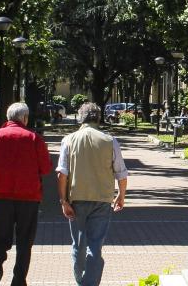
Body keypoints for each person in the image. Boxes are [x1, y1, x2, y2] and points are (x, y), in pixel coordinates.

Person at [0, 103, 51, 286]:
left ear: (8, 118)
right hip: (29, 198)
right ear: (25, 118)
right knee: (25, 242)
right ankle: (19, 280)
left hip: (1, 198)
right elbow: (46, 168)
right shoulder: (34, 138)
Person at [57, 102, 129, 286]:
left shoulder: (69, 140)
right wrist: (121, 195)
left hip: (76, 199)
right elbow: (121, 171)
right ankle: (90, 283)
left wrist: (63, 200)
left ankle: (82, 281)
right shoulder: (109, 141)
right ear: (98, 118)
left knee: (78, 245)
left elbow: (62, 173)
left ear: (80, 118)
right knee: (95, 246)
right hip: (102, 199)